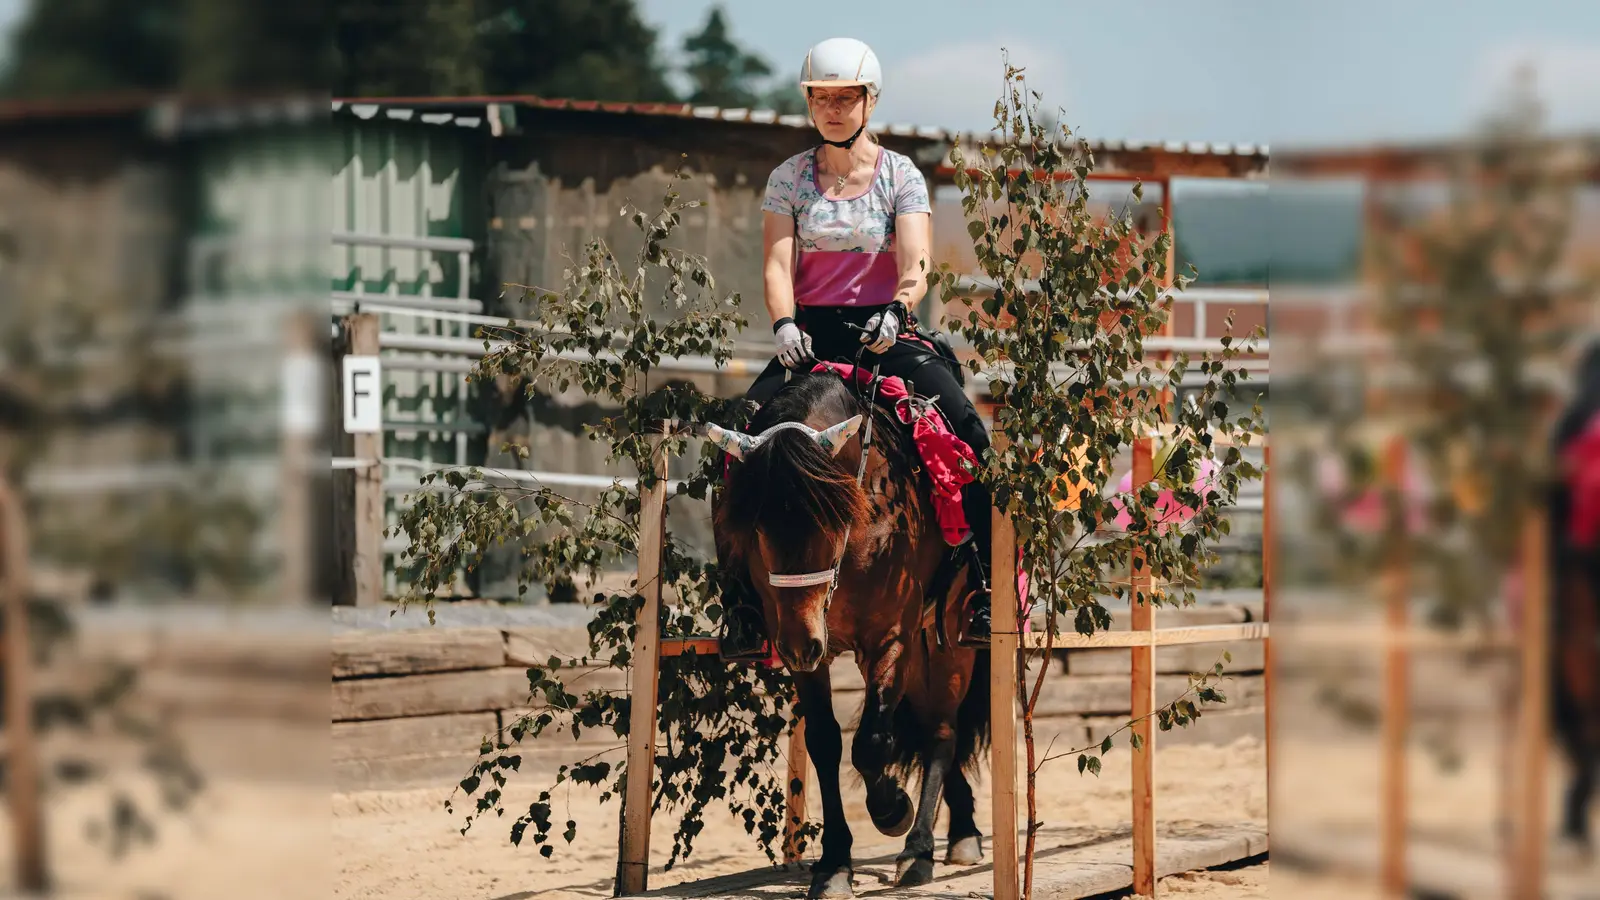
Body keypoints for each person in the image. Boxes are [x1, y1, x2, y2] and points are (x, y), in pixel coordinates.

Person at [718, 37, 994, 661]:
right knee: (739, 445)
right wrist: (785, 323)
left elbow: (917, 259)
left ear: (870, 102)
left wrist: (899, 309)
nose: (834, 108)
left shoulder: (901, 175)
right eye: (822, 98)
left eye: (846, 97)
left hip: (885, 334)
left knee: (970, 434)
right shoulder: (787, 178)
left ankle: (977, 586)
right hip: (809, 338)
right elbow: (774, 263)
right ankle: (738, 601)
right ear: (809, 104)